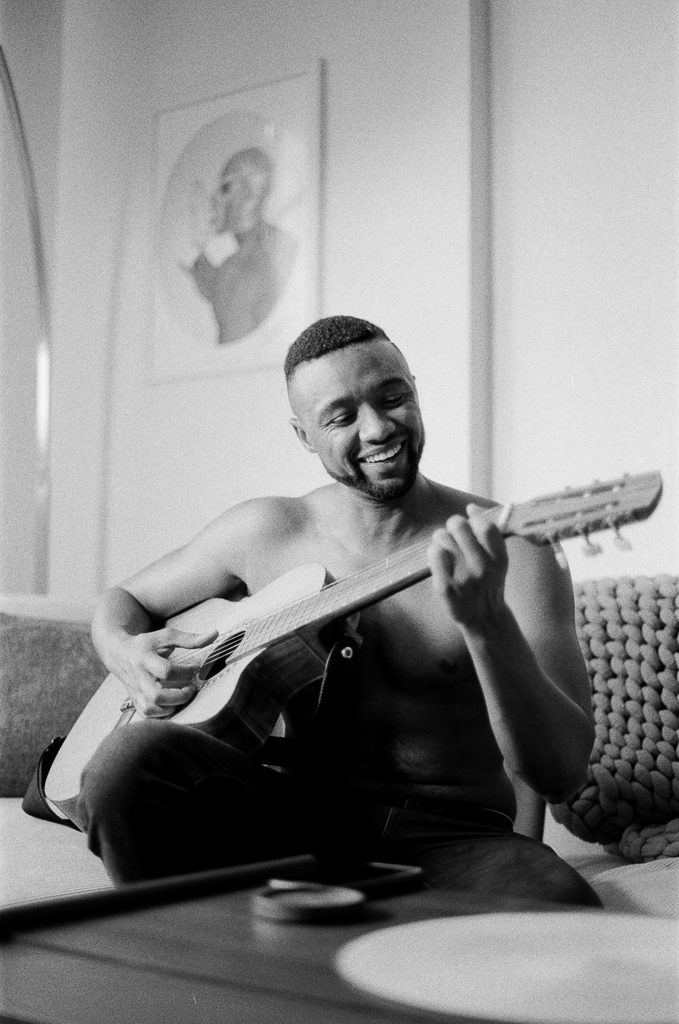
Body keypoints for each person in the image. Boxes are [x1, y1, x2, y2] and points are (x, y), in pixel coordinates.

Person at [79, 315, 599, 906]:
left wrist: (487, 625)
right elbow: (123, 601)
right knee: (125, 761)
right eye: (341, 416)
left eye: (392, 398)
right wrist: (126, 651)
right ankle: (201, 963)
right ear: (303, 435)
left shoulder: (516, 549)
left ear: (415, 394)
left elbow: (561, 774)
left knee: (561, 904)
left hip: (453, 839)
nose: (377, 429)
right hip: (294, 821)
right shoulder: (267, 530)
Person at [181, 146, 297, 346]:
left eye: (226, 187)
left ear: (249, 195)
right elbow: (220, 288)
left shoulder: (242, 267)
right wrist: (198, 247)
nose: (216, 197)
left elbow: (228, 291)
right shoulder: (275, 247)